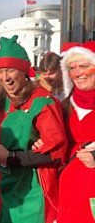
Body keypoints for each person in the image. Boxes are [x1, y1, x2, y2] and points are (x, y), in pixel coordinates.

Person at [0, 35, 67, 223]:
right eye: (0, 71)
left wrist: (12, 158)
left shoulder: (42, 102)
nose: (5, 78)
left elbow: (56, 152)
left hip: (29, 188)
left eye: (10, 70)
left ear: (24, 72)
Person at [56, 41, 95, 223]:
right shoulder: (63, 106)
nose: (78, 73)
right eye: (72, 68)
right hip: (68, 193)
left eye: (84, 66)